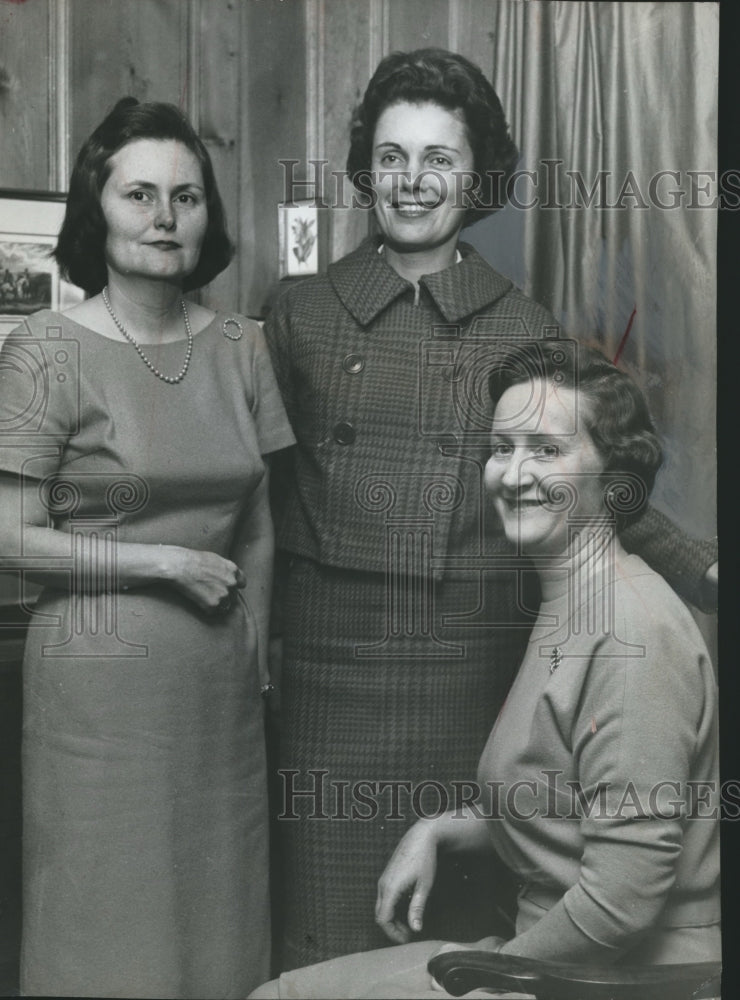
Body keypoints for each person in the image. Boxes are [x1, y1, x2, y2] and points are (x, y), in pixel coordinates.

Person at [264, 47, 718, 971]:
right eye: (392, 158)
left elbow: (593, 483)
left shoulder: (523, 325)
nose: (413, 181)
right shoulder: (299, 310)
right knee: (324, 942)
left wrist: (704, 568)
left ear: (477, 178)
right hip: (328, 675)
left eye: (439, 158)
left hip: (468, 668)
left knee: (459, 948)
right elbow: (250, 486)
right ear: (366, 169)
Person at [250, 340, 720, 999]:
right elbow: (566, 803)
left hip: (617, 976)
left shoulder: (630, 633)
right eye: (502, 448)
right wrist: (440, 825)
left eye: (547, 450)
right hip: (554, 955)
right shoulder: (574, 599)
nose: (513, 473)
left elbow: (624, 897)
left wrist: (488, 978)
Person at [0, 98, 294, 998]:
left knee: (218, 925)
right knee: (104, 924)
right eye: (139, 195)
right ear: (98, 211)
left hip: (218, 695)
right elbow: (9, 537)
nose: (166, 218)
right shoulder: (47, 348)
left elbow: (258, 520)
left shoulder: (242, 344)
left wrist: (258, 652)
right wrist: (160, 565)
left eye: (188, 196)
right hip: (96, 695)